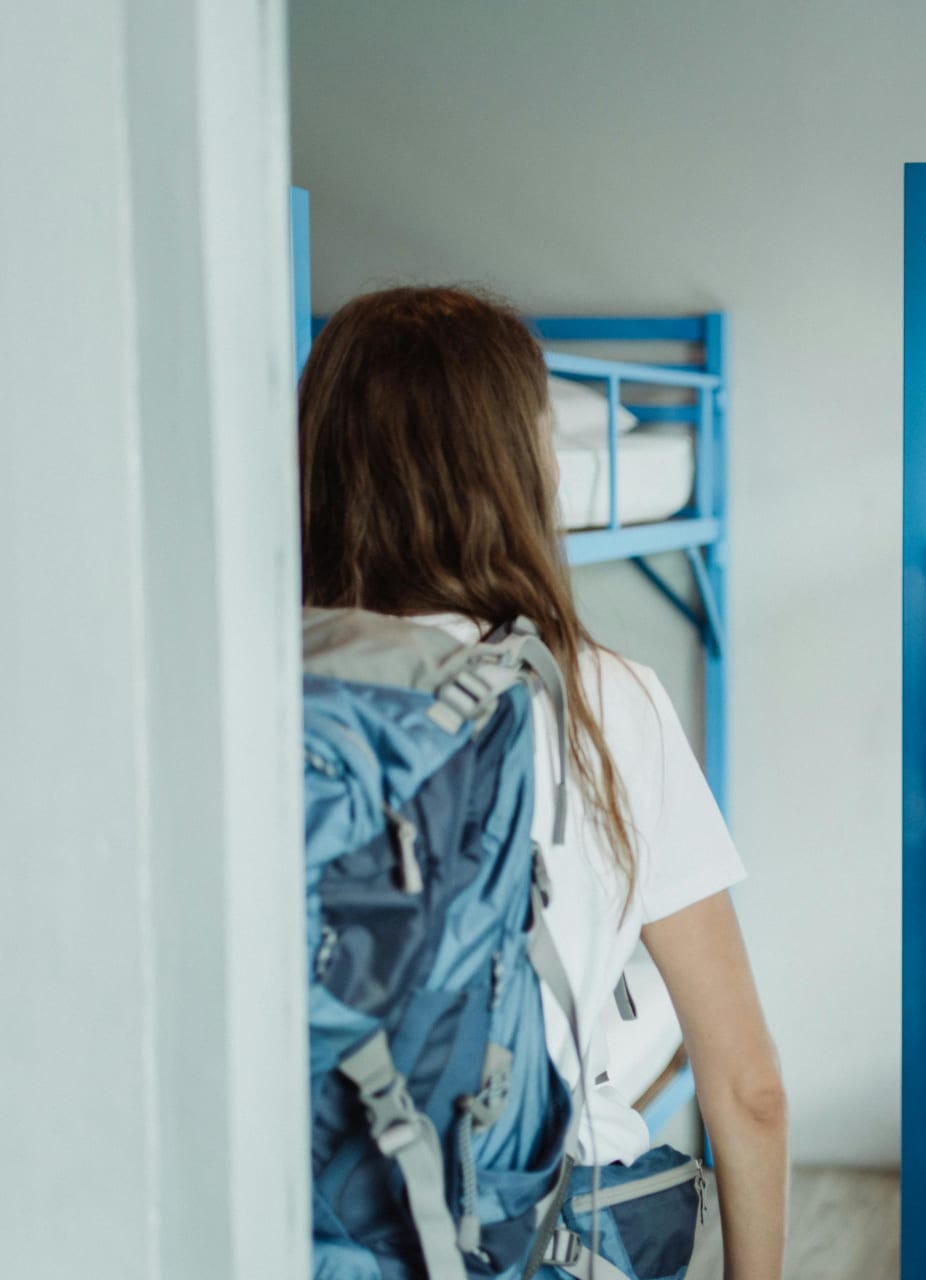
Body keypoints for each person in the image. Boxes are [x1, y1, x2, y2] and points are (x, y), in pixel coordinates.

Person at [299, 286, 786, 1279]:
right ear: (521, 469)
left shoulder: (232, 692)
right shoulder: (611, 700)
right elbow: (746, 1086)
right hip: (535, 1237)